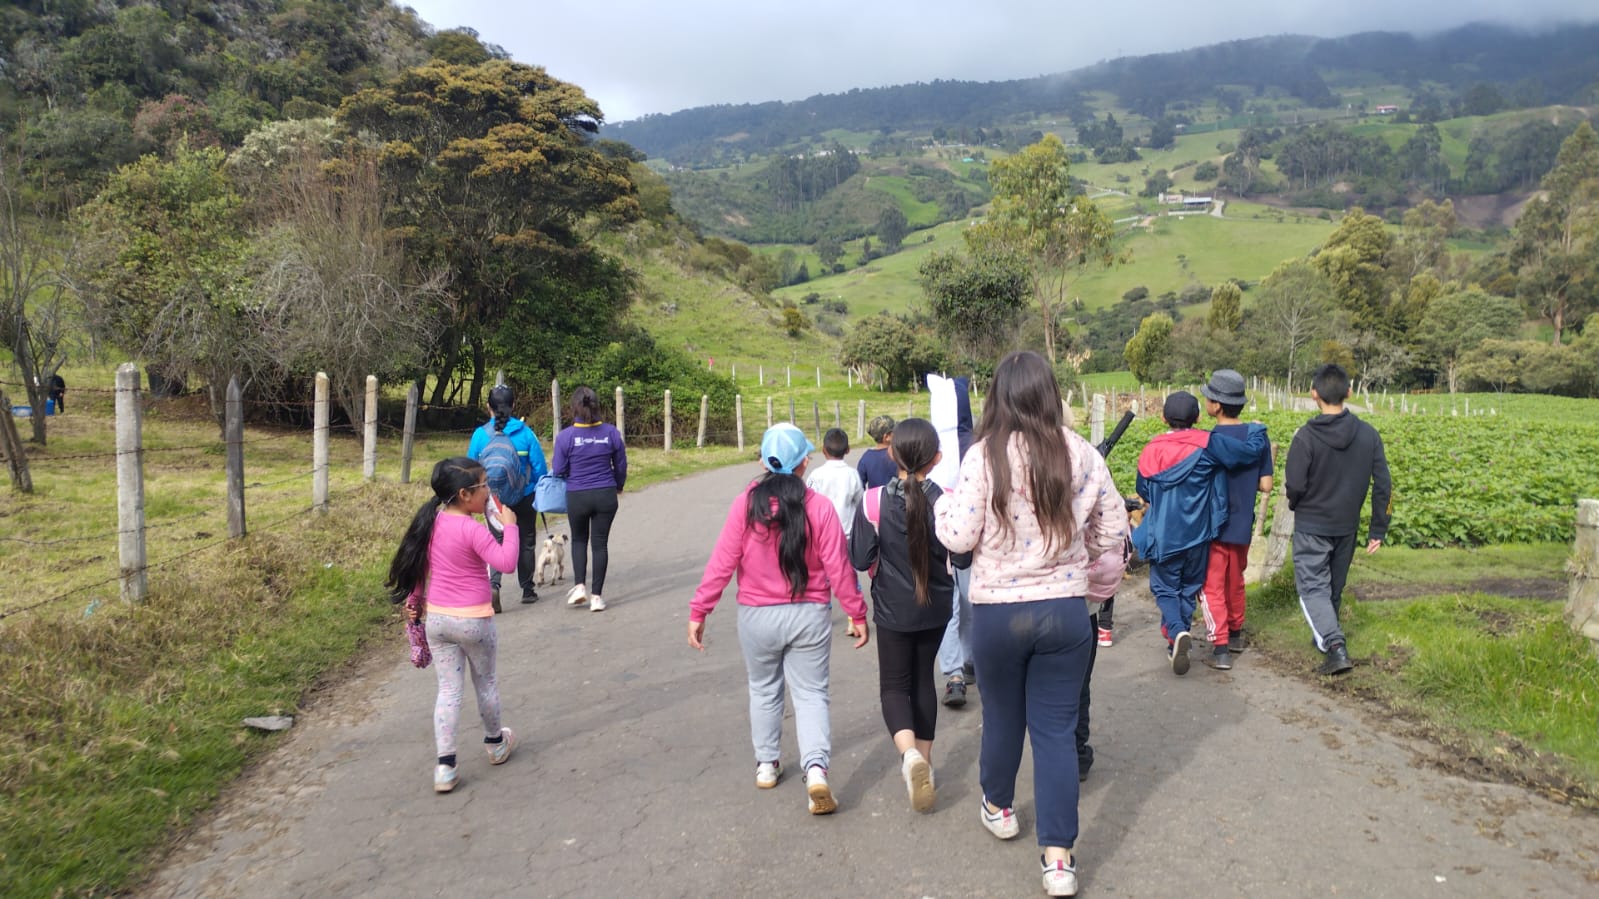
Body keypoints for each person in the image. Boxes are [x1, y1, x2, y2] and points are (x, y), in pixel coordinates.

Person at [934, 351, 1127, 898]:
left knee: (1001, 717)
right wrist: (1079, 556)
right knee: (1056, 732)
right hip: (1065, 611)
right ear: (1049, 393)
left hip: (997, 611)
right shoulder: (1082, 454)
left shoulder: (983, 457)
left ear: (998, 396)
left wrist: (941, 506)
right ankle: (1059, 860)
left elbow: (956, 536)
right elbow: (1113, 526)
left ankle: (998, 807)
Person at [688, 423, 870, 816]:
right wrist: (856, 611)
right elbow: (839, 566)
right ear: (805, 461)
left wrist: (700, 610)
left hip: (757, 618)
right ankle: (817, 769)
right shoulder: (819, 507)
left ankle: (768, 764)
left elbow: (723, 561)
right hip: (809, 616)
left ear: (761, 461)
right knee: (810, 694)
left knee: (764, 689)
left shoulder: (745, 504)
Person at [849, 417, 970, 813]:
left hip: (891, 609)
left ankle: (909, 757)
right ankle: (927, 762)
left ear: (891, 453)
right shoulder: (946, 499)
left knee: (893, 686)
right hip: (936, 608)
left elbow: (860, 557)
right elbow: (964, 555)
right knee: (922, 681)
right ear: (936, 459)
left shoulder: (872, 501)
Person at [386, 457, 521, 793]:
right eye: (484, 486)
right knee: (485, 683)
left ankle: (445, 767)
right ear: (464, 494)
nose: (489, 492)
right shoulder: (473, 529)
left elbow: (419, 567)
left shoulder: (431, 523)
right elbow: (506, 563)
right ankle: (495, 744)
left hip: (439, 621)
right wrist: (511, 526)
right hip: (475, 621)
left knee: (448, 690)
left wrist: (415, 602)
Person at [1133, 391, 1267, 676]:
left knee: (1164, 588)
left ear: (1163, 417)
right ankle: (1175, 643)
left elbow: (1144, 490)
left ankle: (1178, 632)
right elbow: (1247, 453)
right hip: (1199, 534)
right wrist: (1257, 431)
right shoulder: (1208, 444)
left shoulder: (1151, 450)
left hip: (1164, 534)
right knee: (1189, 587)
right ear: (1196, 418)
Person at [1285, 364, 1392, 676]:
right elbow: (1384, 485)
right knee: (1332, 587)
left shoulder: (1304, 437)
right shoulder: (1369, 435)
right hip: (1347, 525)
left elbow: (1294, 484)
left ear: (1313, 393)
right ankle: (1327, 639)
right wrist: (1378, 528)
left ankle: (1334, 646)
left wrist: (1296, 503)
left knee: (1312, 588)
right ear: (1349, 392)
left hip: (1312, 524)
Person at [1199, 369, 1274, 669]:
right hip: (1242, 523)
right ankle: (1236, 634)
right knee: (1235, 580)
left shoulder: (1208, 441)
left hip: (1213, 525)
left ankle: (1220, 649)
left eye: (1208, 396)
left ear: (1216, 405)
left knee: (1212, 585)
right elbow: (1266, 485)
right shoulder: (1257, 436)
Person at [467, 386, 548, 611]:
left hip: (493, 500)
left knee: (496, 542)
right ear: (513, 405)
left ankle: (494, 585)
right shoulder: (526, 433)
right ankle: (527, 589)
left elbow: (470, 467)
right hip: (524, 496)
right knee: (526, 541)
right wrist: (535, 488)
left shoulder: (480, 435)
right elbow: (540, 468)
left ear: (488, 407)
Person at [552, 386, 628, 612]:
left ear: (573, 407)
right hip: (605, 494)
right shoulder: (611, 433)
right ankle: (597, 597)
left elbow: (558, 469)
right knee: (600, 544)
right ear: (597, 405)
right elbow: (621, 465)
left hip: (577, 494)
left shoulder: (565, 437)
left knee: (578, 540)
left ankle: (579, 587)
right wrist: (619, 485)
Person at [929, 376, 977, 707]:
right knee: (971, 597)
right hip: (974, 536)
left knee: (949, 605)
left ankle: (954, 673)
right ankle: (971, 660)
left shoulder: (931, 444)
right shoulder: (978, 443)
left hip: (938, 536)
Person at [807, 428, 864, 538]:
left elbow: (808, 503)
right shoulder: (852, 474)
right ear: (848, 450)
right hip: (847, 534)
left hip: (822, 533)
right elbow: (859, 503)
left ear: (823, 450)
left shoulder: (816, 475)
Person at [857, 415, 898, 488]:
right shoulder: (897, 454)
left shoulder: (867, 457)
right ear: (887, 437)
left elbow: (859, 484)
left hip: (875, 498)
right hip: (896, 498)